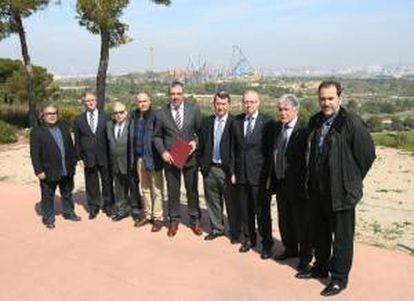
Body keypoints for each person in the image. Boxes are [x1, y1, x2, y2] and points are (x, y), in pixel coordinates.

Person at [296, 81, 376, 297]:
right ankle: (321, 267)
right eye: (322, 99)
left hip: (341, 193)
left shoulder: (350, 123)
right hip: (317, 191)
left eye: (330, 98)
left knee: (342, 238)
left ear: (339, 98)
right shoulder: (314, 122)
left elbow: (367, 155)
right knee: (320, 233)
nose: (326, 103)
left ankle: (339, 278)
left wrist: (350, 180)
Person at [266, 94, 312, 272]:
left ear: (295, 110)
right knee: (284, 220)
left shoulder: (304, 130)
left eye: (286, 109)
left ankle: (305, 256)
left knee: (302, 222)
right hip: (281, 183)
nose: (282, 113)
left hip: (299, 186)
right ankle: (290, 248)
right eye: (280, 109)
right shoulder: (278, 128)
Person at [153, 81, 202, 237]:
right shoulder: (161, 113)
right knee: (173, 191)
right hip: (171, 159)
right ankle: (174, 220)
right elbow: (156, 136)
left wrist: (195, 142)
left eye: (178, 94)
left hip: (190, 158)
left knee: (192, 191)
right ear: (169, 95)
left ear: (183, 95)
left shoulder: (194, 110)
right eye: (173, 94)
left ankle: (195, 220)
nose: (175, 97)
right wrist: (163, 152)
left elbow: (201, 133)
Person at [230, 90, 274, 259]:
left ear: (258, 103)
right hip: (241, 175)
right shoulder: (237, 121)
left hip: (259, 176)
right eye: (246, 102)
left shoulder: (268, 123)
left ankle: (266, 243)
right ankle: (249, 239)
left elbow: (270, 152)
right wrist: (232, 171)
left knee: (262, 212)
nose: (248, 105)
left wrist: (269, 175)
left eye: (252, 102)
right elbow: (233, 149)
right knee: (245, 209)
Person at [197, 91, 241, 242]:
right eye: (218, 104)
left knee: (232, 203)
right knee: (212, 201)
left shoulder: (235, 122)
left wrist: (234, 170)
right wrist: (202, 166)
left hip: (227, 170)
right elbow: (201, 144)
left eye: (223, 104)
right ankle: (217, 229)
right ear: (213, 105)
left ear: (229, 105)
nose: (220, 107)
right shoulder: (207, 122)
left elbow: (238, 149)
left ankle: (235, 231)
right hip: (210, 168)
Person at [30, 103, 81, 229]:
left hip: (66, 168)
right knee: (48, 195)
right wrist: (38, 170)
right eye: (49, 114)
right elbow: (34, 154)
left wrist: (74, 161)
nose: (52, 116)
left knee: (67, 192)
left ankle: (69, 212)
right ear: (43, 116)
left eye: (54, 113)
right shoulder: (37, 132)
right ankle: (48, 218)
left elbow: (70, 145)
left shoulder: (63, 127)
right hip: (48, 170)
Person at [73, 92, 113, 219]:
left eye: (92, 100)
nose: (90, 103)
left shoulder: (106, 117)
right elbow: (77, 140)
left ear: (96, 101)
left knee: (107, 182)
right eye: (87, 101)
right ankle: (93, 207)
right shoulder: (78, 120)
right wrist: (78, 157)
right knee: (91, 183)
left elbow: (110, 137)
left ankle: (108, 206)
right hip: (88, 157)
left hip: (104, 156)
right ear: (84, 103)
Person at [130, 91, 164, 232]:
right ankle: (148, 214)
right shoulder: (134, 116)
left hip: (153, 158)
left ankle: (157, 218)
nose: (142, 104)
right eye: (140, 101)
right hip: (139, 158)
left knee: (157, 189)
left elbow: (161, 136)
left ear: (150, 101)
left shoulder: (156, 116)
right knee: (144, 188)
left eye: (145, 101)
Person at [106, 102, 142, 222]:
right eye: (115, 113)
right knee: (119, 188)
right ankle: (122, 210)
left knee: (133, 187)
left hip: (129, 163)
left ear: (126, 112)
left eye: (121, 112)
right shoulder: (109, 125)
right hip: (115, 163)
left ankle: (136, 210)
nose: (118, 115)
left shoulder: (132, 125)